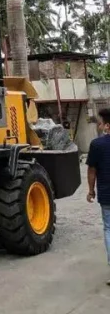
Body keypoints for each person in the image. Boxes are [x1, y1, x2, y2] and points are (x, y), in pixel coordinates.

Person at [86, 108, 110, 285]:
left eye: (101, 123)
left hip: (107, 195)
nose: (100, 126)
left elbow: (92, 170)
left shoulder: (97, 145)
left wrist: (91, 191)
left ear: (107, 125)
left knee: (109, 229)